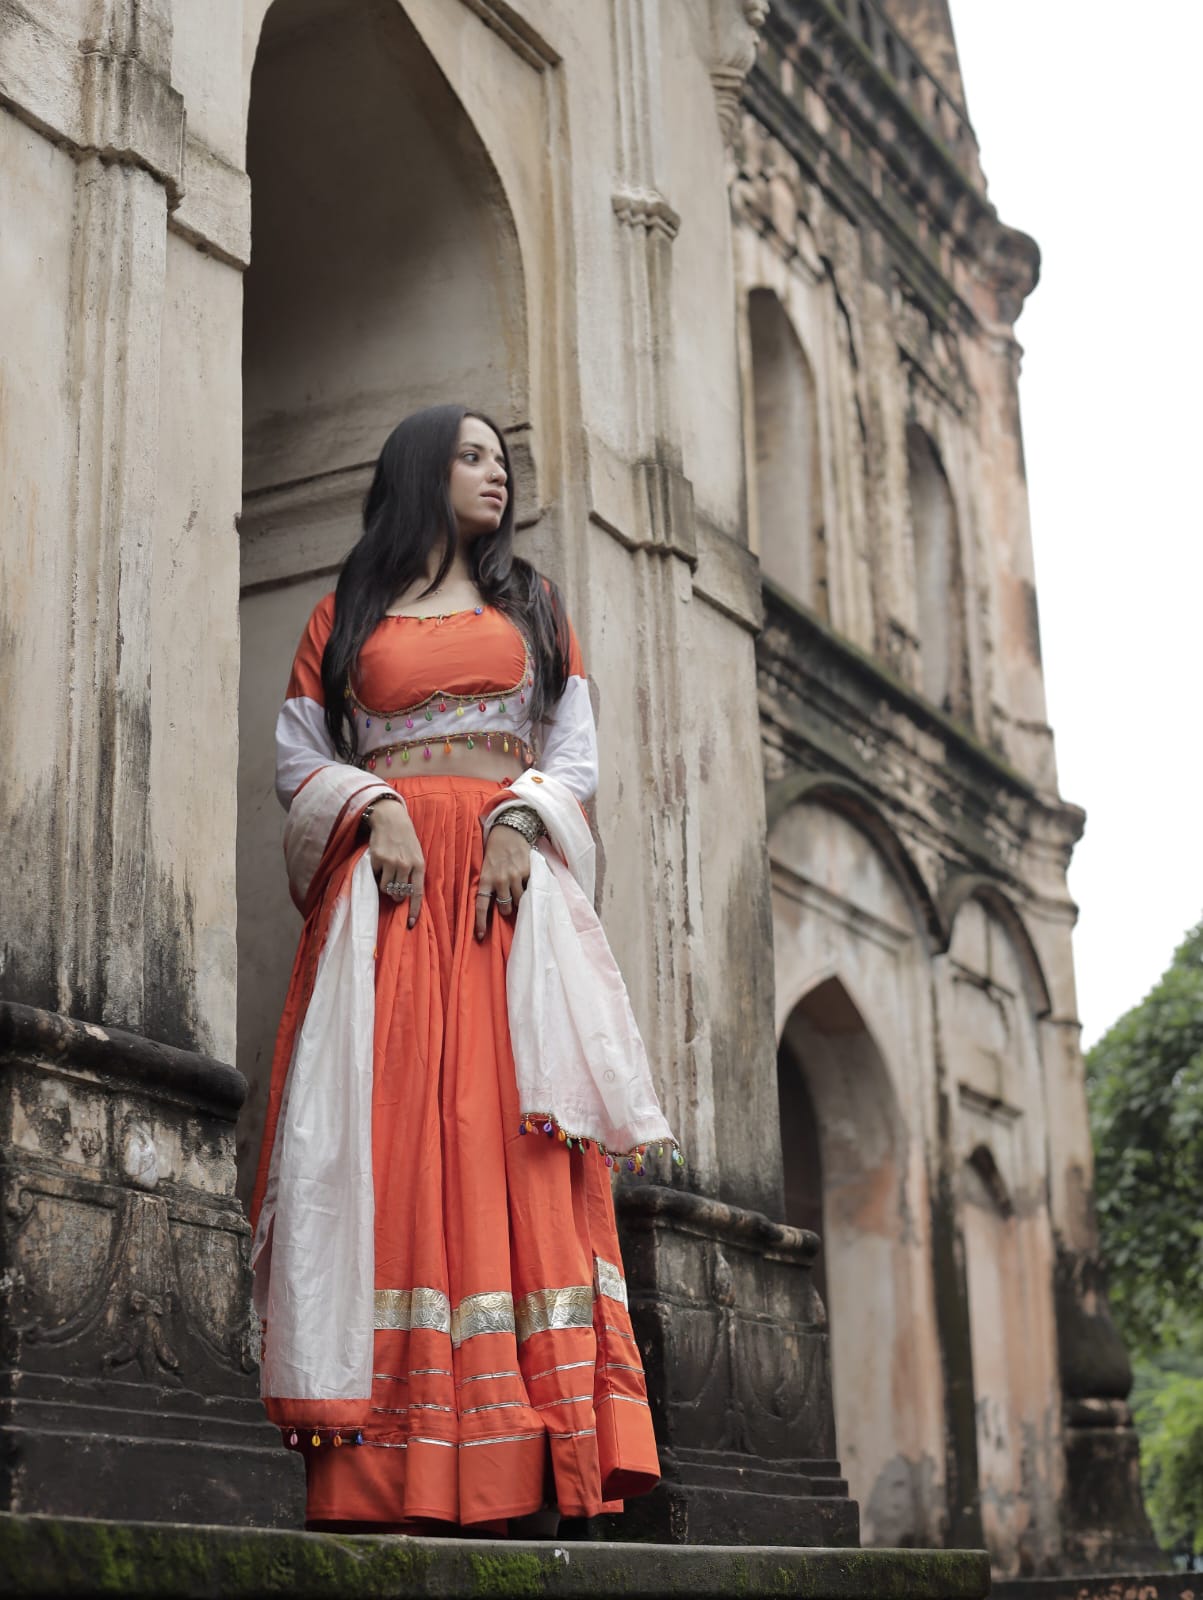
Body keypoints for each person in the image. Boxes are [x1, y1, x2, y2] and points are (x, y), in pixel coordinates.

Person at [248, 404, 676, 1535]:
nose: (498, 473)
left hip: (503, 903)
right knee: (385, 1140)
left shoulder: (532, 605)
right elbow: (302, 751)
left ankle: (535, 1457)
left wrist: (521, 823)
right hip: (388, 907)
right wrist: (373, 801)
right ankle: (382, 1464)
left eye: (504, 458)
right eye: (475, 455)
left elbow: (573, 748)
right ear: (421, 469)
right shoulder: (345, 614)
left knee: (512, 1136)